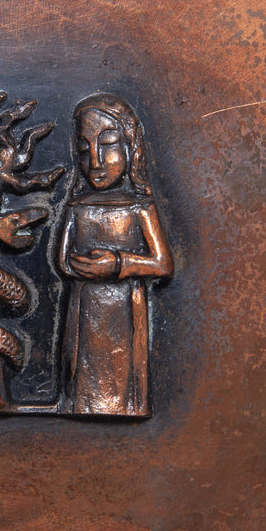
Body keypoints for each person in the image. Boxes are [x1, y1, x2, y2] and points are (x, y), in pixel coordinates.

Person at [57, 93, 173, 417]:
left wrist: (119, 264)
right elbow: (62, 259)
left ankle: (124, 407)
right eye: (84, 150)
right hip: (84, 309)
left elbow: (163, 264)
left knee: (122, 380)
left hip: (124, 310)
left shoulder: (140, 207)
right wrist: (76, 266)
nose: (95, 161)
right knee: (82, 375)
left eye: (107, 145)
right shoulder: (77, 206)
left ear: (130, 148)